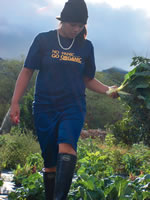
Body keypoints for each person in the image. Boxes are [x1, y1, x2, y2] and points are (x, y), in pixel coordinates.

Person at [10, 0, 118, 199]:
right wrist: (15, 103)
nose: (76, 29)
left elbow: (88, 79)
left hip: (73, 107)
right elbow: (26, 71)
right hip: (44, 107)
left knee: (67, 148)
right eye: (72, 25)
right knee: (50, 163)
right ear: (62, 20)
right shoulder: (43, 40)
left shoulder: (86, 47)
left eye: (81, 25)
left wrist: (108, 90)